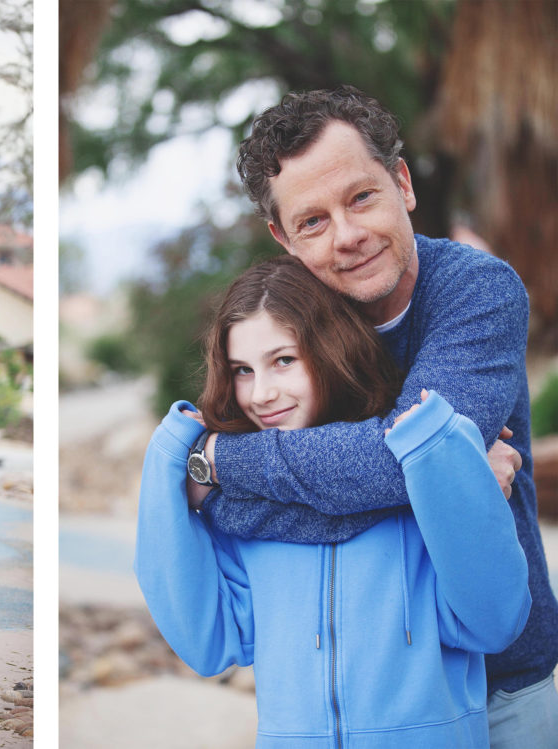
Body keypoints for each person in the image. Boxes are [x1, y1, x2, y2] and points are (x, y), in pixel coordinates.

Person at [192, 86, 558, 747]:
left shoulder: (479, 292)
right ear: (282, 238)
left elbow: (398, 466)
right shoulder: (290, 332)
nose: (350, 235)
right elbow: (218, 516)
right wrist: (444, 481)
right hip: (362, 693)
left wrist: (221, 465)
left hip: (505, 683)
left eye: (361, 197)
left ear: (403, 183)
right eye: (314, 221)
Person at [136, 256, 531, 747]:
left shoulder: (420, 488)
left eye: (284, 360)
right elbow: (207, 642)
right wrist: (170, 454)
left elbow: (496, 621)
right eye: (242, 370)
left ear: (330, 350)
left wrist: (448, 471)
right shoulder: (240, 519)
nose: (261, 394)